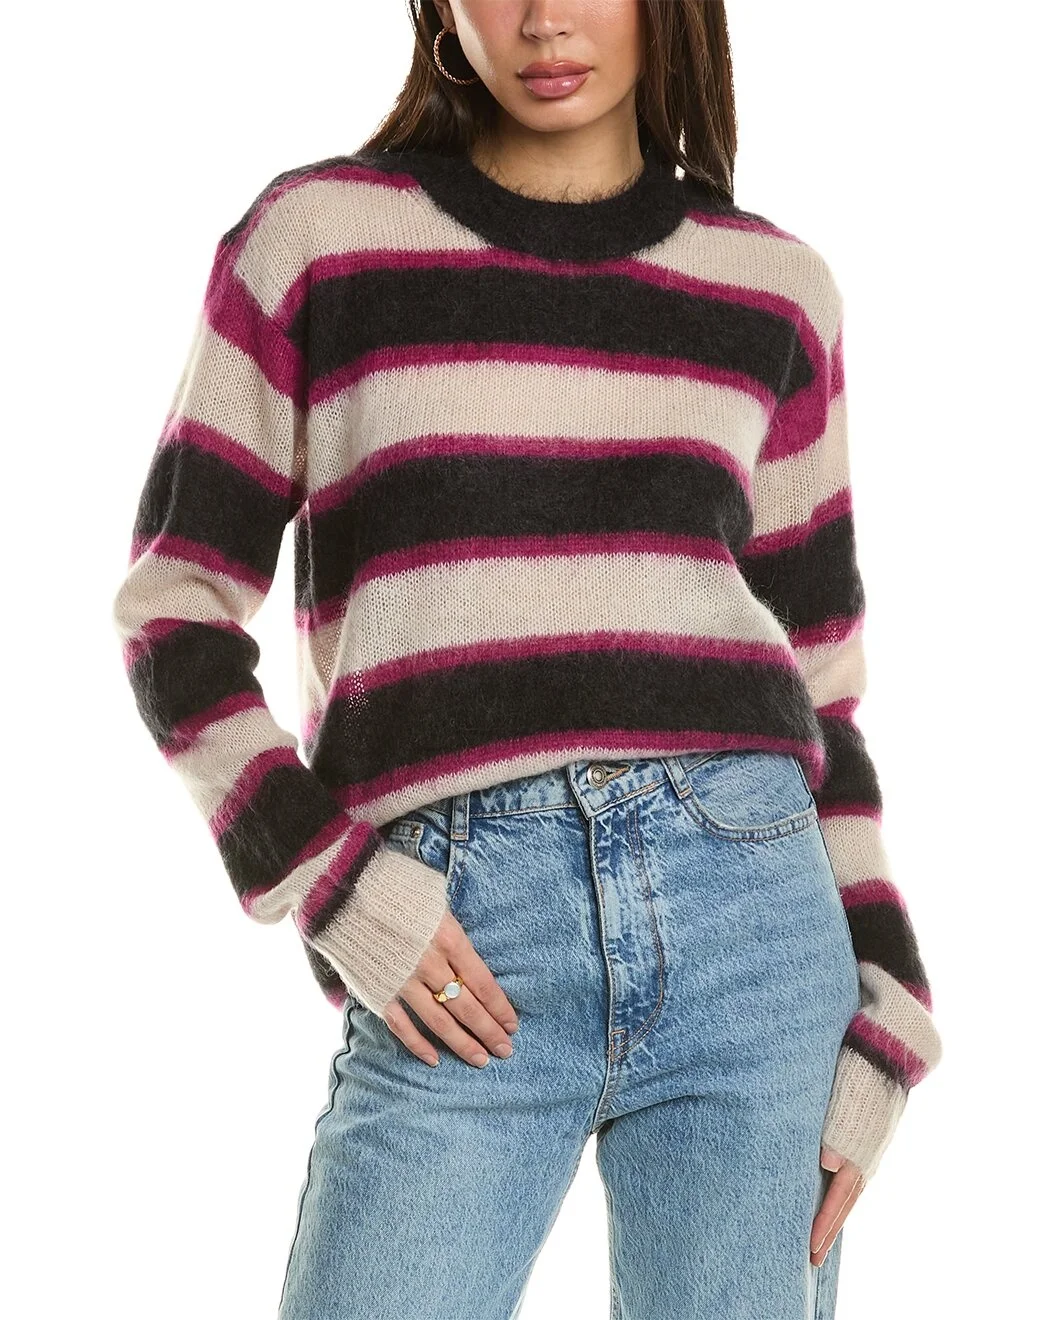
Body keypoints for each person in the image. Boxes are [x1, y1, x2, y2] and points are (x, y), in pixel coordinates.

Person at [110, 2, 943, 1316]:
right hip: (458, 942)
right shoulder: (318, 242)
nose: (545, 19)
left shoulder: (777, 290)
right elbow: (175, 611)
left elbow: (825, 695)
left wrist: (888, 996)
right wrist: (332, 885)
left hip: (755, 926)